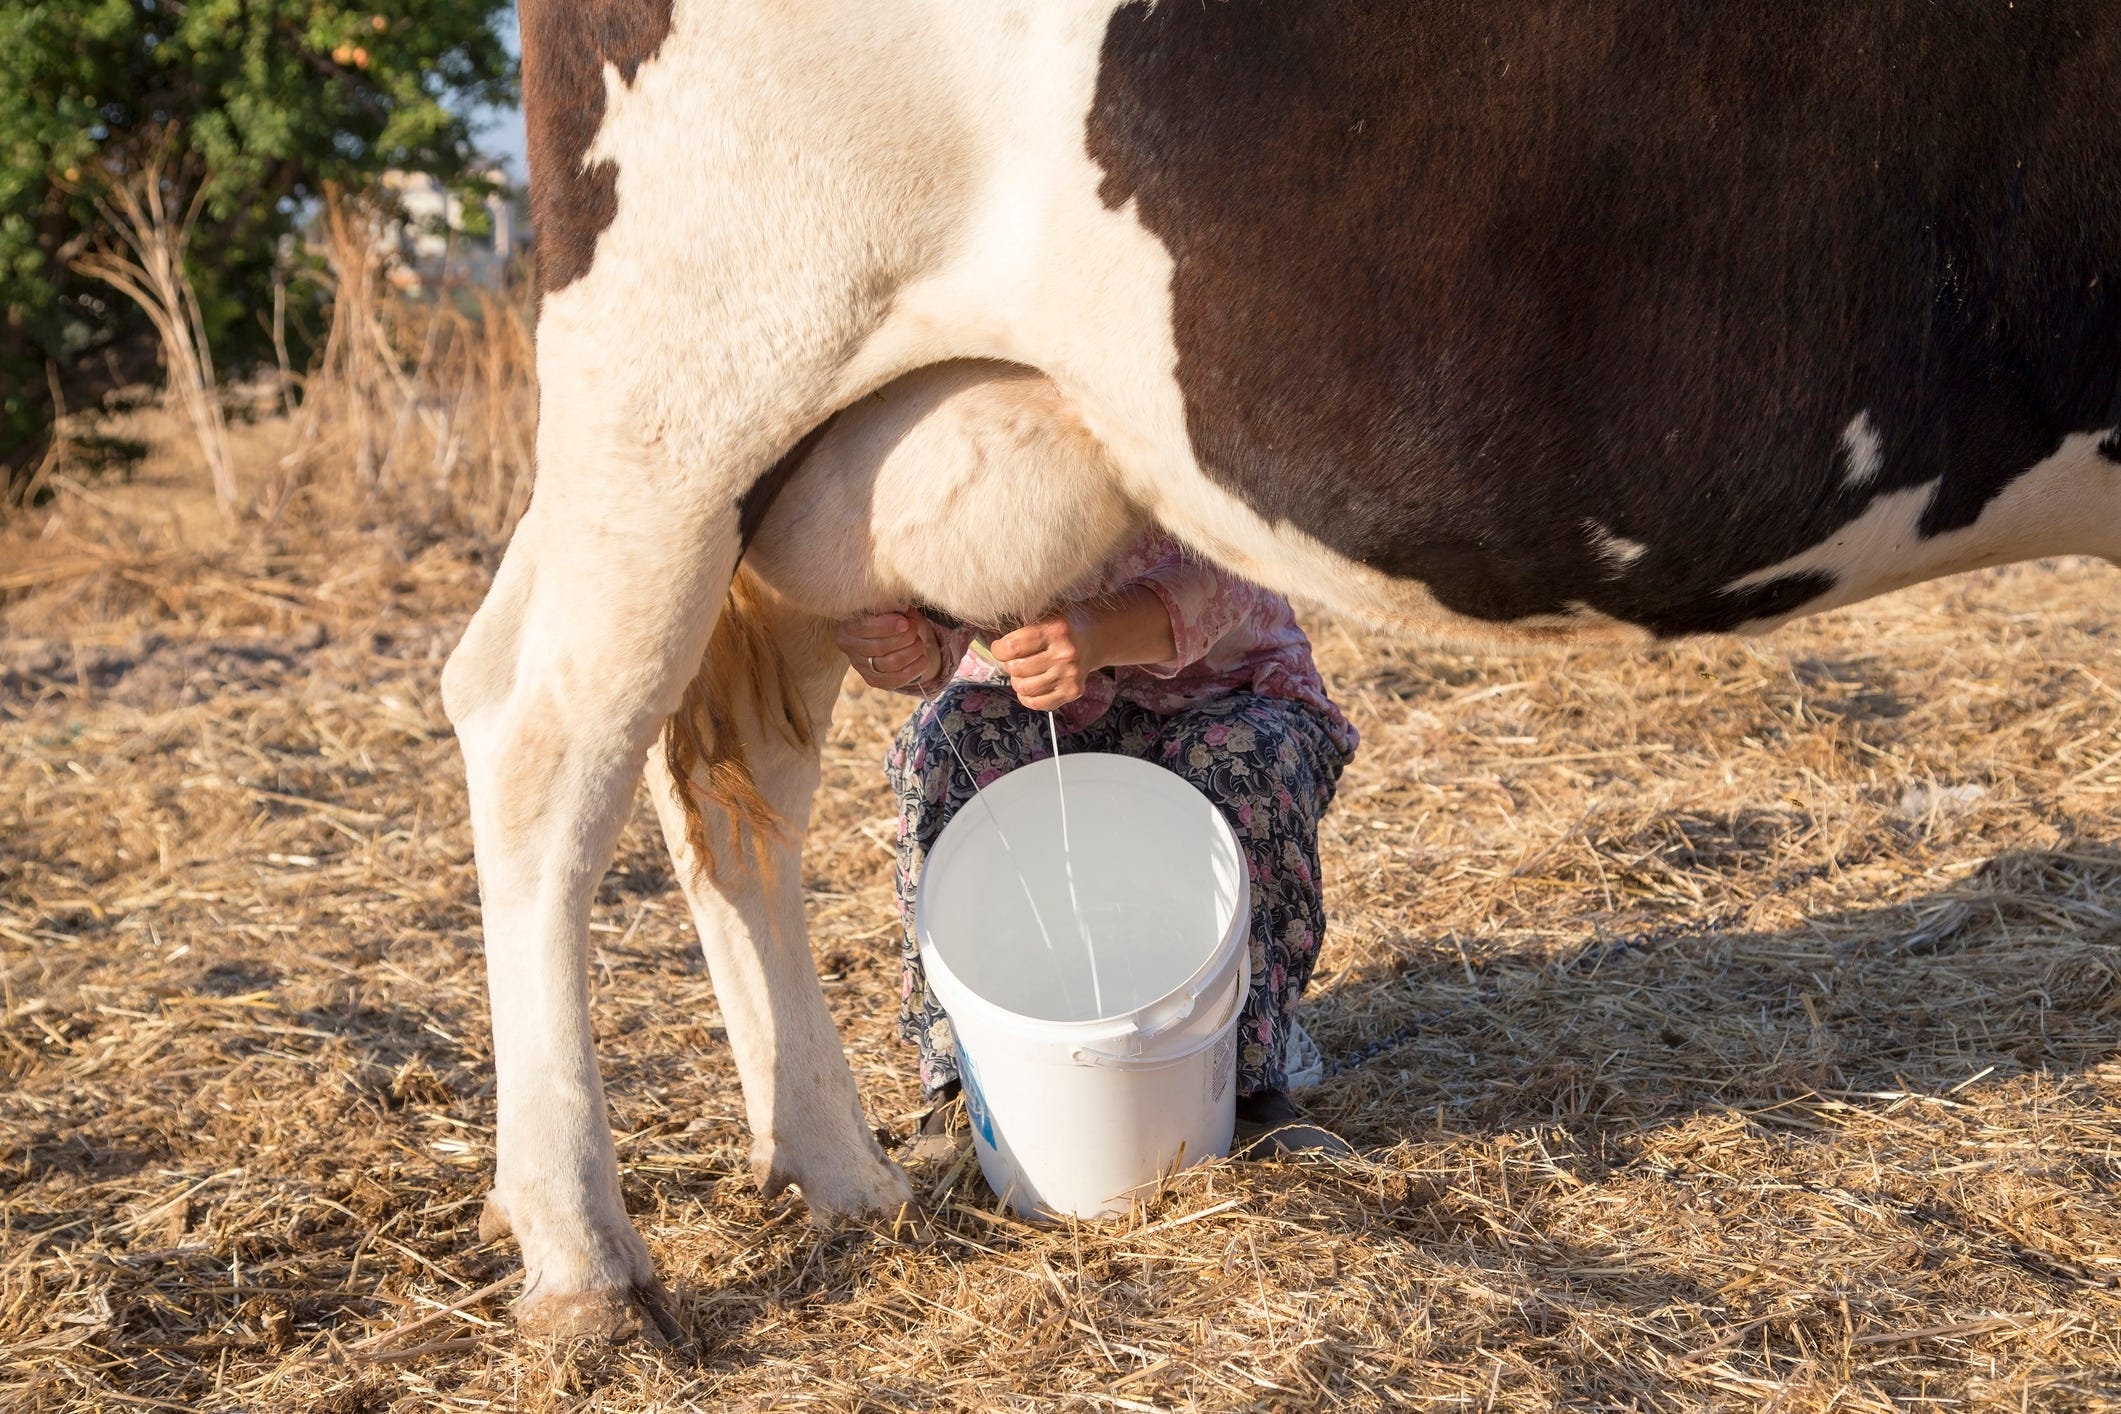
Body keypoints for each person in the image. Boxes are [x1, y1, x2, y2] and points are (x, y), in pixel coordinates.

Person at [837, 528, 1359, 1156]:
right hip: (1041, 702)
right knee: (955, 746)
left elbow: (1226, 567)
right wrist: (907, 647)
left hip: (1229, 692)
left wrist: (1089, 637)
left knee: (1239, 761)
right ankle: (965, 1090)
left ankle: (1248, 1084)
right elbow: (945, 603)